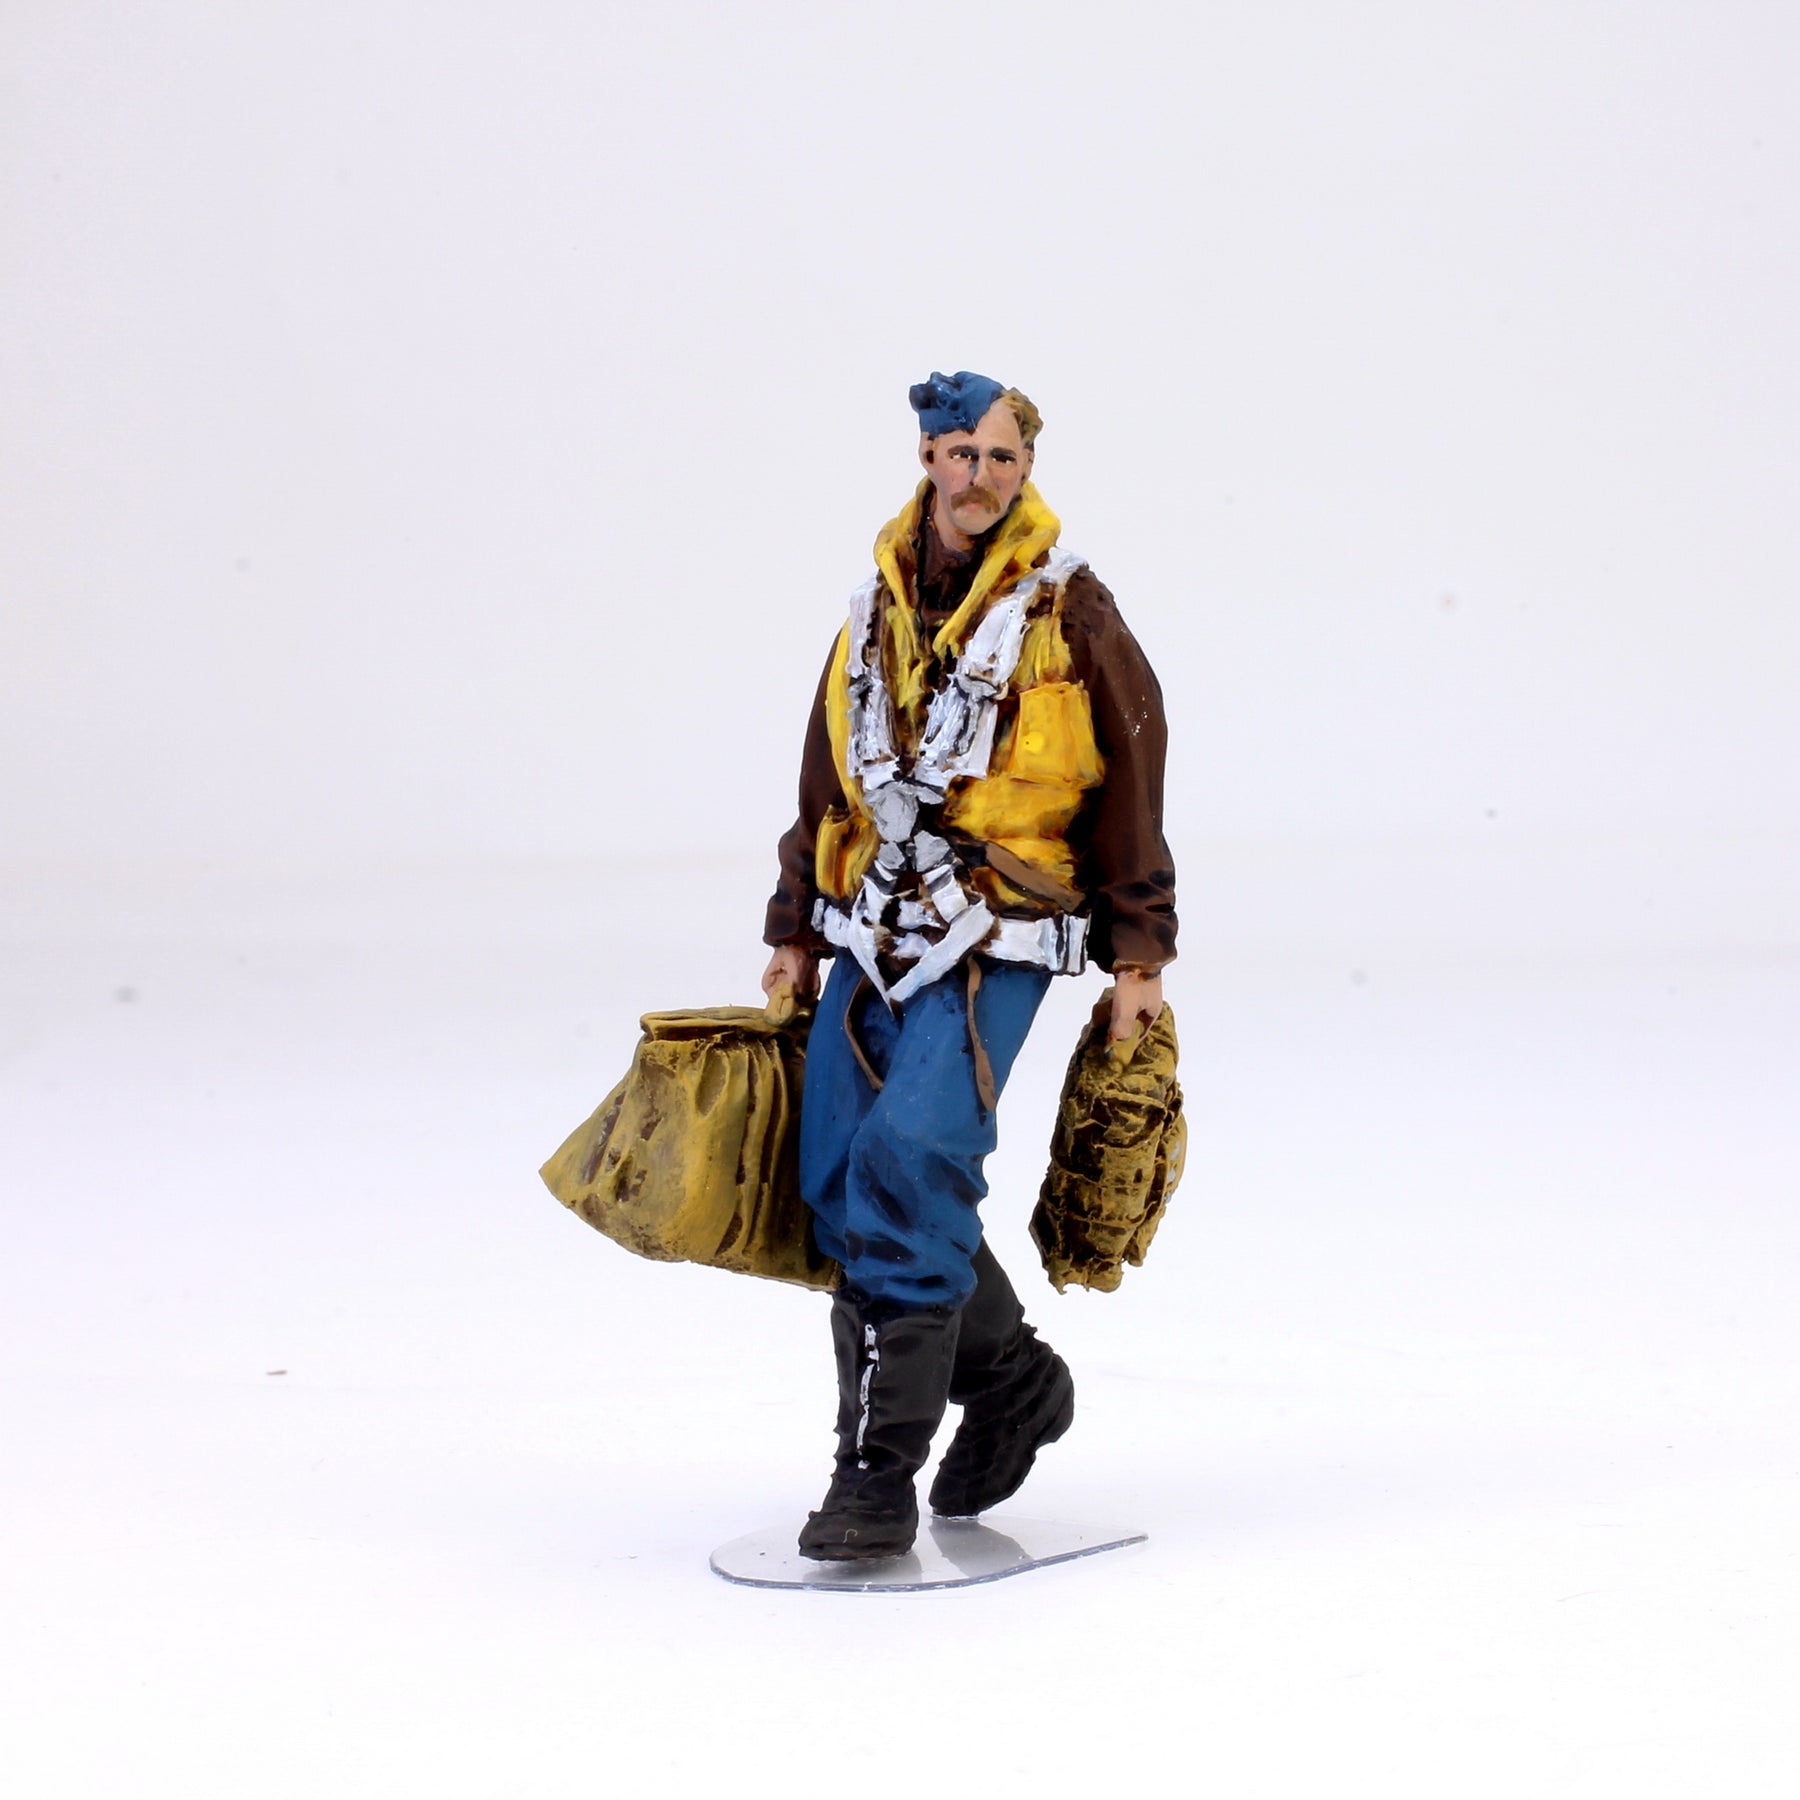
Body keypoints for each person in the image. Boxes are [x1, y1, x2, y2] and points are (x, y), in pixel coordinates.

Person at [761, 370, 1177, 1561]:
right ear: (927, 460)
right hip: (870, 924)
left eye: (1000, 457)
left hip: (1001, 930)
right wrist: (794, 927)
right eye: (959, 453)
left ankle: (873, 1477)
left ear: (1025, 468)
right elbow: (825, 775)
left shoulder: (1069, 610)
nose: (977, 476)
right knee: (840, 1181)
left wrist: (1139, 957)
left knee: (911, 1161)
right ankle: (1011, 1382)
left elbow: (1134, 779)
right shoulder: (873, 609)